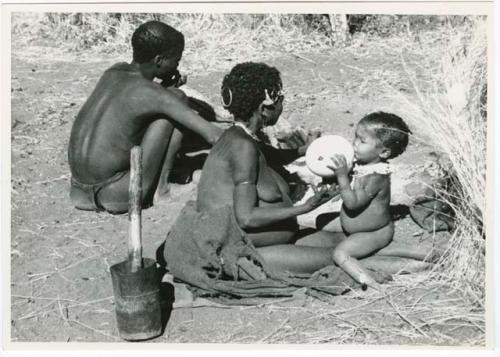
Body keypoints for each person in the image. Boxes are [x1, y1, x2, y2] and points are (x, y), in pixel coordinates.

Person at [170, 62, 343, 275]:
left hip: (271, 241)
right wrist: (306, 207)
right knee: (343, 255)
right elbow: (246, 217)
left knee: (349, 242)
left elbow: (275, 156)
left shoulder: (242, 136)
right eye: (280, 100)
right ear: (264, 108)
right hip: (244, 251)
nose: (282, 104)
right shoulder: (242, 147)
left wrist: (305, 150)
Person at [68, 20, 222, 214]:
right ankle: (162, 190)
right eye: (176, 59)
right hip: (120, 194)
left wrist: (164, 87)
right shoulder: (155, 95)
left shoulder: (113, 72)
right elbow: (213, 135)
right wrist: (249, 140)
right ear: (159, 60)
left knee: (169, 102)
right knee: (179, 99)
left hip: (78, 192)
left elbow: (136, 102)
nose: (177, 64)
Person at [326, 112, 411, 290]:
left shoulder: (376, 176)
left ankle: (369, 282)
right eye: (355, 137)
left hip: (374, 232)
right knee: (322, 222)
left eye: (362, 141)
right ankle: (392, 251)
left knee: (340, 253)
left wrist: (342, 177)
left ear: (384, 152)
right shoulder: (365, 165)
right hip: (360, 231)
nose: (354, 144)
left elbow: (352, 203)